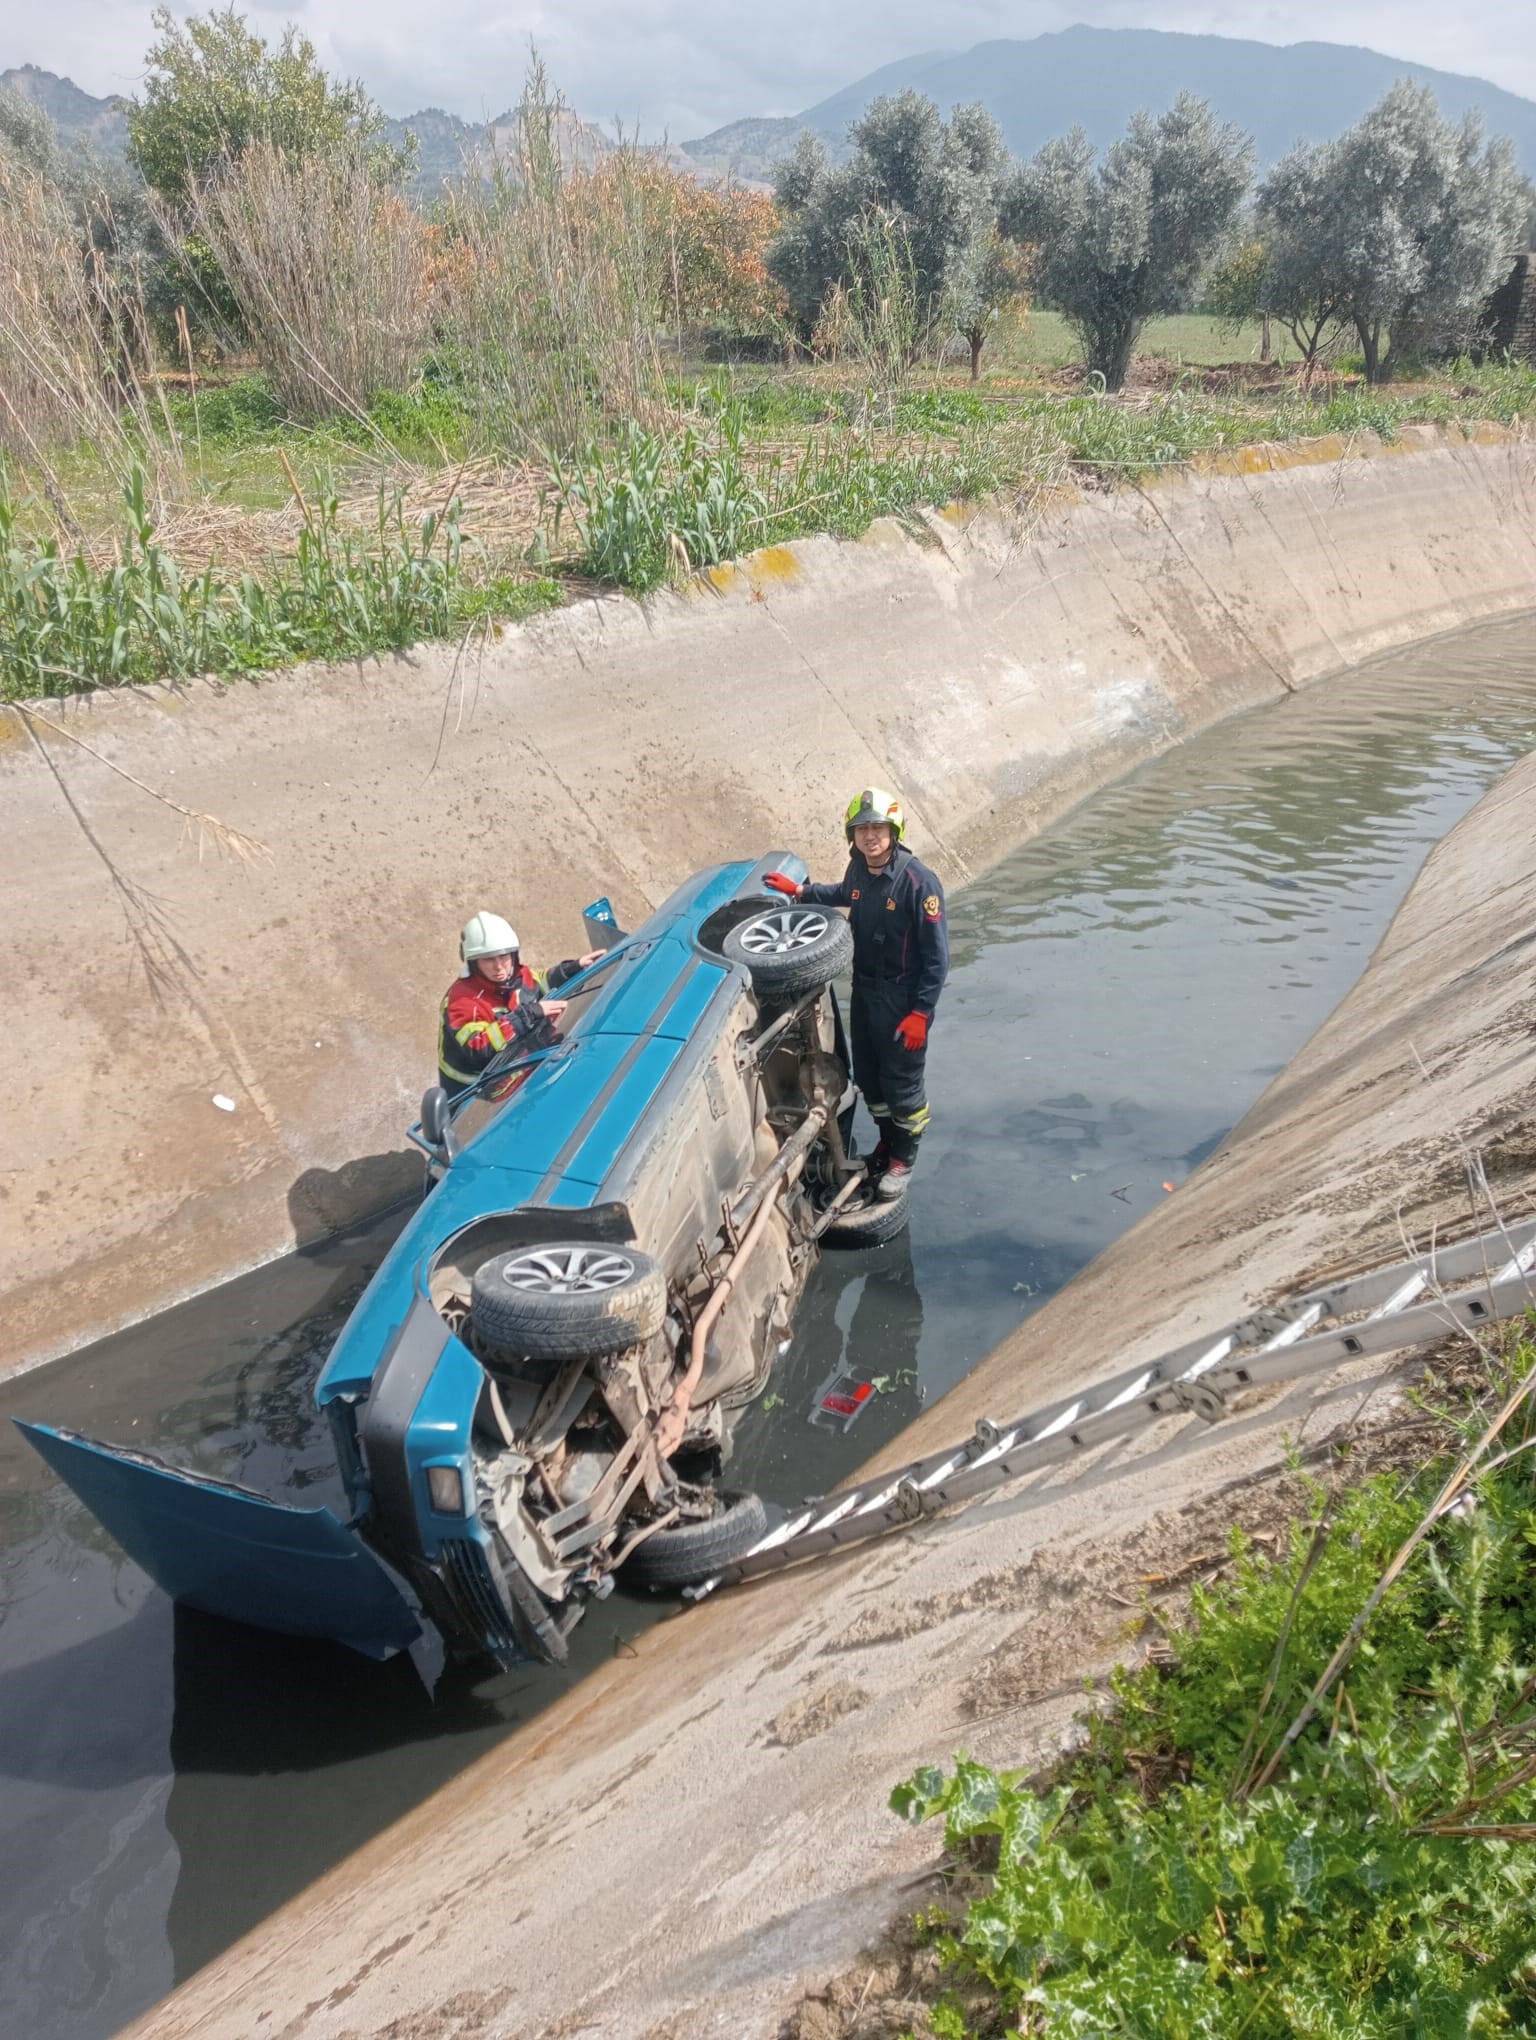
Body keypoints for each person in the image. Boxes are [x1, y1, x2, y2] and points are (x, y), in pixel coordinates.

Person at [765, 788, 948, 1198]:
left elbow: (938, 960)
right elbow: (845, 895)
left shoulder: (919, 883)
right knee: (868, 1077)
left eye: (878, 828)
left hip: (903, 1004)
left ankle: (904, 1159)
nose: (870, 836)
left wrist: (922, 1012)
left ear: (893, 831)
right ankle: (886, 1144)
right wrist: (800, 893)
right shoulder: (859, 870)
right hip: (865, 993)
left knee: (903, 1086)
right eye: (862, 829)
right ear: (852, 835)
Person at [437, 912, 602, 1100]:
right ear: (474, 963)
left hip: (510, 1072)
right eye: (488, 959)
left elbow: (538, 983)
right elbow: (478, 1047)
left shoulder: (516, 974)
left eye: (503, 956)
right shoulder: (463, 1001)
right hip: (472, 1094)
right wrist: (528, 1015)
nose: (499, 967)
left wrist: (570, 970)